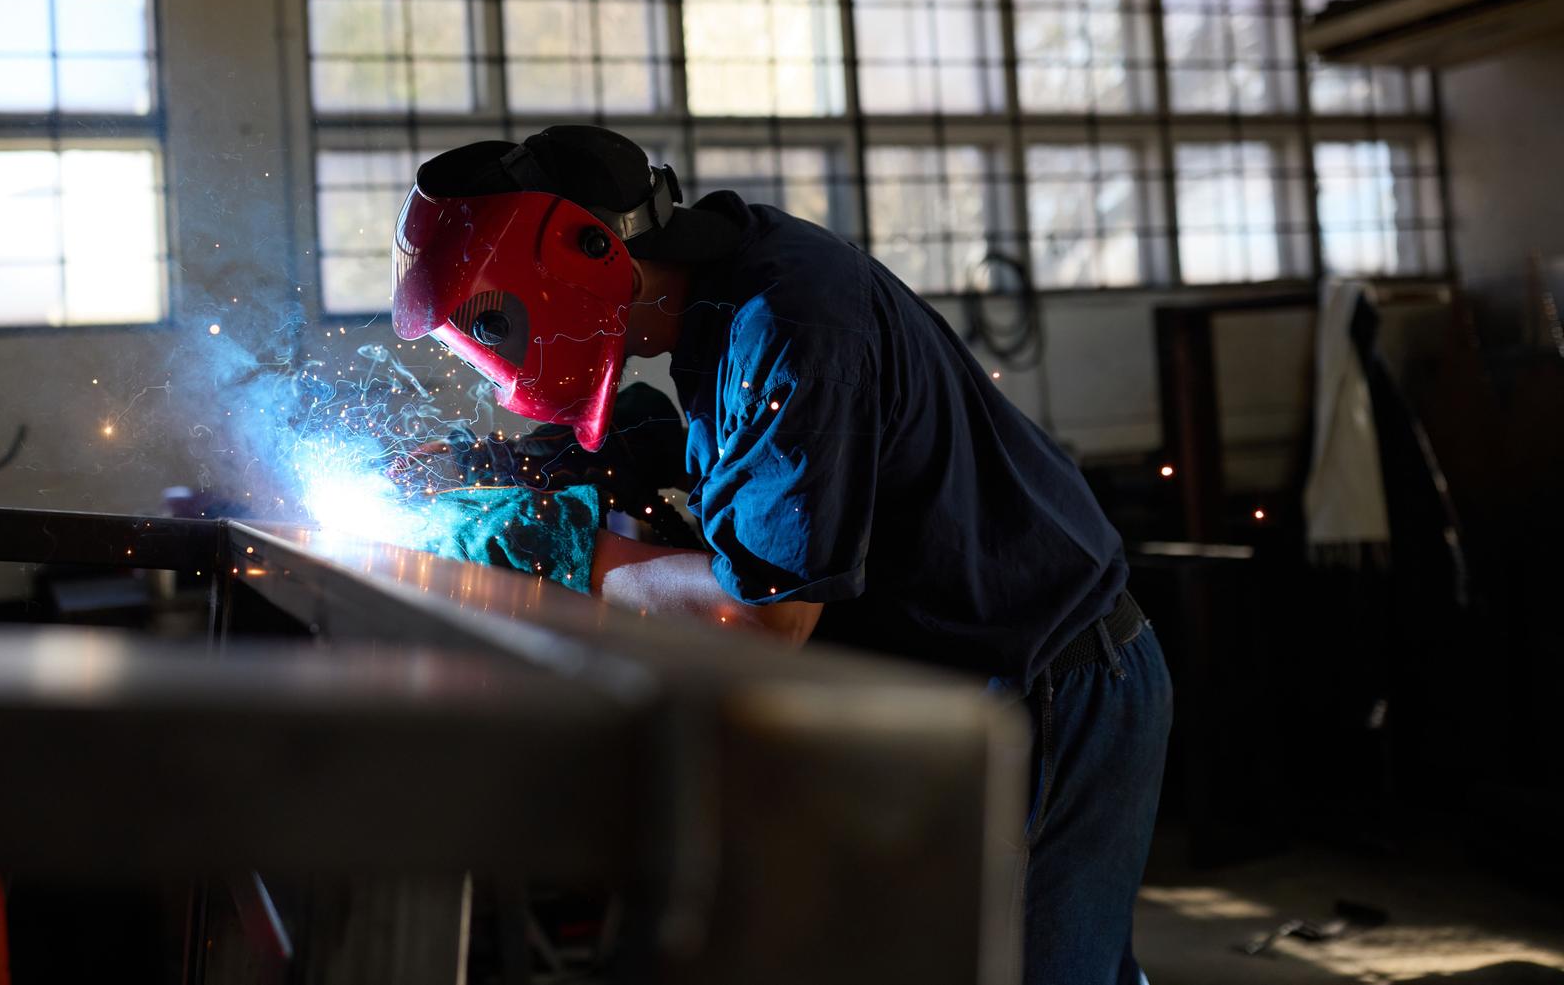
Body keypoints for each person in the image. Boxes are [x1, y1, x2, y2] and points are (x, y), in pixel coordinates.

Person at [390, 124, 1173, 984]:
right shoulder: (723, 294)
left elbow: (760, 617)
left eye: (492, 321)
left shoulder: (790, 326)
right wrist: (514, 463)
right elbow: (714, 456)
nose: (493, 351)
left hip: (1051, 688)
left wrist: (562, 549)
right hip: (964, 685)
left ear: (583, 255)